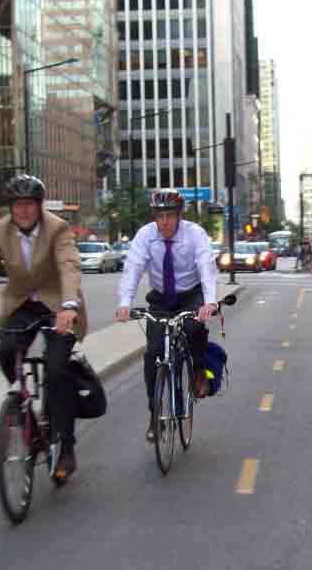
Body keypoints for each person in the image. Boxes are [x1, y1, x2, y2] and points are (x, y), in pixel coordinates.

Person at [0, 174, 87, 478]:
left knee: (57, 371)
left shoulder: (58, 228)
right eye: (17, 205)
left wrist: (69, 307)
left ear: (39, 206)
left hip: (58, 305)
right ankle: (21, 400)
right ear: (10, 208)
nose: (23, 211)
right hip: (21, 306)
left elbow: (69, 266)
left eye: (29, 204)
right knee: (4, 348)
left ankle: (66, 446)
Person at [115, 189, 219, 442]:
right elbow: (133, 269)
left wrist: (209, 302)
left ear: (179, 216)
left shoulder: (195, 235)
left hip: (191, 294)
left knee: (195, 329)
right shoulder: (145, 236)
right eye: (159, 216)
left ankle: (198, 370)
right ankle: (154, 416)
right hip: (162, 298)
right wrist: (125, 303)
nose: (164, 222)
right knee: (152, 354)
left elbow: (206, 268)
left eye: (170, 216)